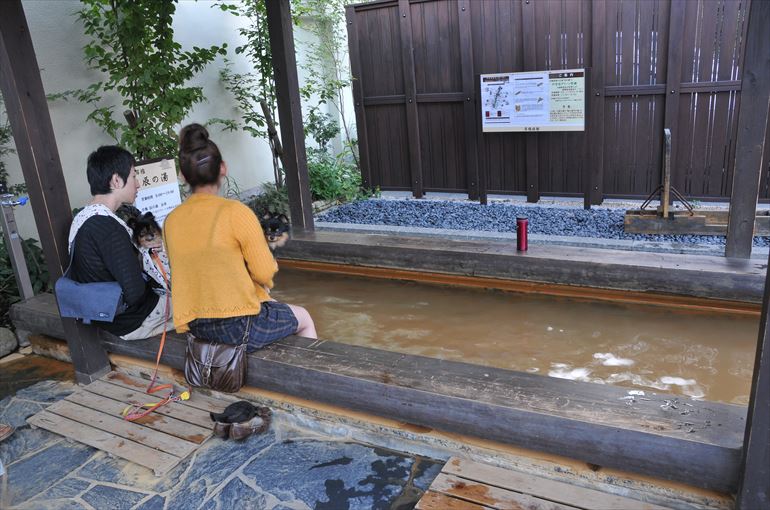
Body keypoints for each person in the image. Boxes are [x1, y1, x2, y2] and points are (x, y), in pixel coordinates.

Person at [164, 123, 316, 350]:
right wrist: (264, 285)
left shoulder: (171, 220)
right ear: (223, 168)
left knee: (271, 305)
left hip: (196, 324)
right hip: (239, 325)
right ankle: (307, 378)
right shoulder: (235, 212)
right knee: (303, 317)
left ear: (184, 176)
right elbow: (264, 271)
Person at [69, 146, 172, 340]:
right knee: (197, 300)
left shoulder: (84, 217)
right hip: (131, 321)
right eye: (134, 176)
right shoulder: (108, 227)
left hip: (106, 314)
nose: (138, 183)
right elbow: (135, 294)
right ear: (117, 180)